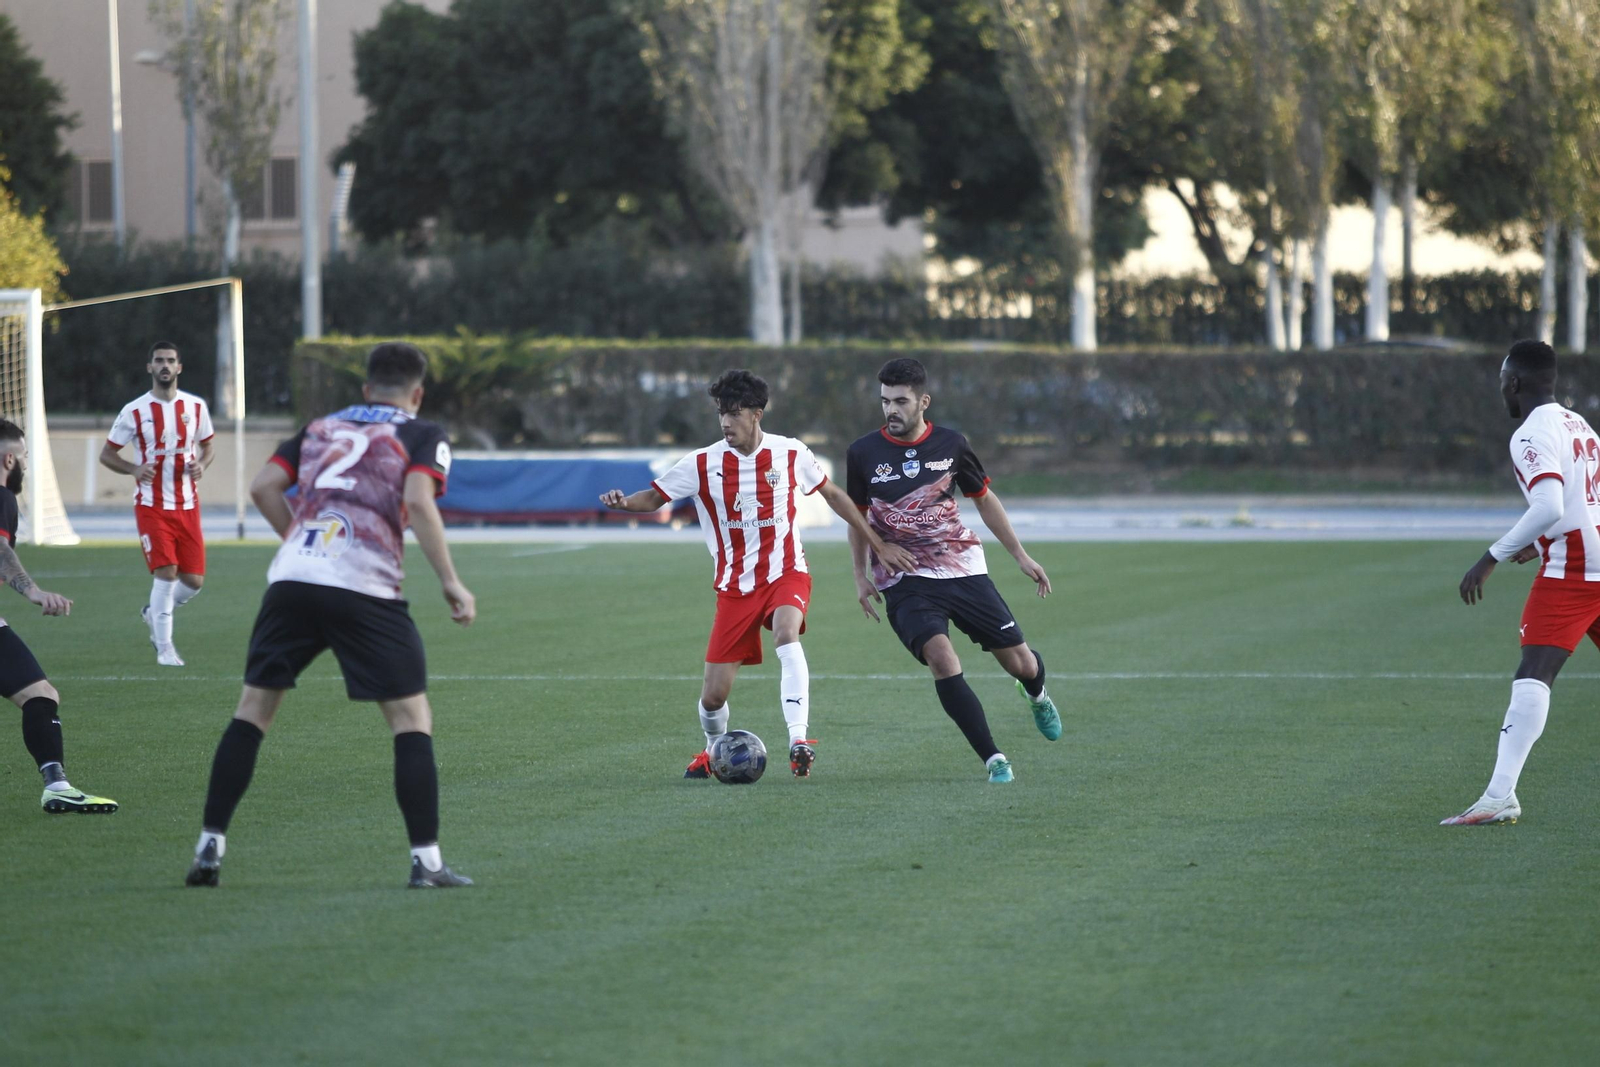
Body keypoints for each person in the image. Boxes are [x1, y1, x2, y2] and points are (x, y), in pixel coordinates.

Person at [185, 342, 476, 888]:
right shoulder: (421, 432)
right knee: (411, 721)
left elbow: (264, 487)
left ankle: (209, 846)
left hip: (292, 579)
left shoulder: (319, 426)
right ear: (417, 394)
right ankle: (427, 862)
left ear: (366, 389)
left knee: (252, 711)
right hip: (364, 588)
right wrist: (450, 582)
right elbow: (418, 500)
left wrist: (301, 541)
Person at [601, 369, 917, 779]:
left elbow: (834, 496)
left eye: (734, 413)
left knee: (788, 632)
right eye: (721, 413)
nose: (725, 422)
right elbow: (655, 496)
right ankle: (713, 751)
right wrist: (624, 503)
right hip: (734, 588)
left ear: (757, 413)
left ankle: (799, 741)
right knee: (714, 697)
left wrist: (876, 542)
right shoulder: (702, 462)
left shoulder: (790, 454)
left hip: (786, 573)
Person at [845, 358, 1060, 784]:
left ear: (923, 401)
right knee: (941, 658)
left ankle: (1036, 693)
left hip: (961, 566)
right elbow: (856, 516)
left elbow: (983, 498)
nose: (892, 409)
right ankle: (994, 759)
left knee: (1021, 664)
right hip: (904, 579)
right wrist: (863, 569)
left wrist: (1020, 555)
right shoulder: (862, 452)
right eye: (885, 400)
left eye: (901, 401)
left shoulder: (952, 444)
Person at [1447, 338, 1600, 825]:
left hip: (1575, 571)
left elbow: (1551, 505)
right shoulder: (1582, 426)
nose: (1502, 394)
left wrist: (1492, 555)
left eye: (1502, 385)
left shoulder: (1531, 433)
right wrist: (1539, 542)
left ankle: (1498, 796)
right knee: (1536, 669)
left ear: (1514, 384)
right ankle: (1498, 796)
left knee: (1534, 671)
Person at [0, 420, 118, 814]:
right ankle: (57, 785)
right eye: (26, 458)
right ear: (10, 458)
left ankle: (58, 785)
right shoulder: (2, 496)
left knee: (40, 695)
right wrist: (32, 590)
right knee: (41, 697)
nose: (27, 466)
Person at [99, 341, 215, 667]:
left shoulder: (195, 407)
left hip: (188, 504)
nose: (165, 366)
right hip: (151, 504)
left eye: (171, 361)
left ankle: (154, 613)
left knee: (193, 582)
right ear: (149, 367)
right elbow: (107, 453)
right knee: (166, 573)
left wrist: (202, 465)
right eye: (159, 361)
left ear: (179, 367)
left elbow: (208, 446)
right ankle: (165, 648)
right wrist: (134, 469)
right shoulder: (134, 410)